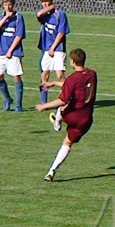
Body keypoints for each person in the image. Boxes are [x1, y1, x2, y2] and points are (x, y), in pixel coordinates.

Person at [35, 48, 98, 182]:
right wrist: (54, 83)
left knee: (63, 105)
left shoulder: (72, 78)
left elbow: (62, 100)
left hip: (72, 115)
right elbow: (74, 83)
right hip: (86, 119)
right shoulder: (92, 74)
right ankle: (51, 171)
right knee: (67, 143)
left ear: (72, 61)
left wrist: (43, 106)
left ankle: (57, 123)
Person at [0, 0, 25, 112]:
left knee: (16, 77)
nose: (8, 7)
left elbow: (19, 36)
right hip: (0, 52)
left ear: (13, 5)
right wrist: (5, 18)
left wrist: (10, 50)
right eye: (5, 5)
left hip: (14, 53)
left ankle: (18, 105)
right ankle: (8, 99)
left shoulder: (19, 18)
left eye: (10, 4)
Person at [36, 0, 70, 105]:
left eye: (47, 2)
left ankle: (65, 100)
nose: (45, 4)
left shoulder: (60, 14)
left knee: (60, 76)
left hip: (58, 49)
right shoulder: (43, 14)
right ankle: (44, 102)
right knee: (44, 75)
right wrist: (50, 7)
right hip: (46, 49)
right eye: (43, 2)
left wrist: (53, 48)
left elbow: (61, 33)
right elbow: (39, 14)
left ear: (51, 1)